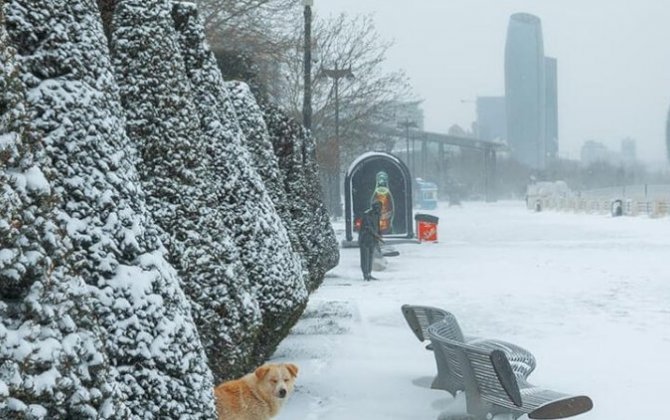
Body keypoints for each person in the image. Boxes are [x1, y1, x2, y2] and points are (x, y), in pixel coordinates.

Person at [358, 201, 383, 281]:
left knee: (370, 257)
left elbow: (377, 226)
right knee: (365, 257)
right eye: (378, 207)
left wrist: (379, 234)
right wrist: (376, 234)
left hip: (372, 239)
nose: (379, 209)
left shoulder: (377, 214)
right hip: (365, 239)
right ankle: (365, 274)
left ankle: (369, 273)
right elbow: (368, 227)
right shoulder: (367, 215)